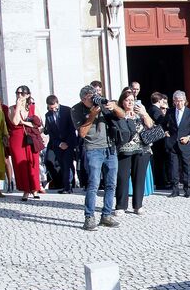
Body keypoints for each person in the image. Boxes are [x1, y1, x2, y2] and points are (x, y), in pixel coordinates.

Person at [71, 84, 125, 230]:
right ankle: (89, 217)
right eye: (90, 98)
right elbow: (82, 133)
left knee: (111, 184)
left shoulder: (102, 102)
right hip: (93, 149)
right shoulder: (76, 110)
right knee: (93, 184)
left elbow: (122, 115)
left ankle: (106, 215)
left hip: (110, 148)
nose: (94, 99)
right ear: (83, 99)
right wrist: (92, 115)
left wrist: (113, 106)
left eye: (95, 95)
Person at [114, 89, 154, 215]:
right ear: (122, 101)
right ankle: (121, 206)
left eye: (132, 100)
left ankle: (138, 205)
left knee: (139, 177)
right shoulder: (119, 113)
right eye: (127, 100)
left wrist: (144, 113)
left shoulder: (139, 111)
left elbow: (150, 126)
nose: (130, 102)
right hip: (124, 149)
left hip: (142, 149)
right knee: (122, 177)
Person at [8, 85, 42, 201]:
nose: (19, 95)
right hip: (17, 138)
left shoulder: (33, 107)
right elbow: (15, 121)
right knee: (19, 164)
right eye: (17, 93)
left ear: (28, 95)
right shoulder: (11, 108)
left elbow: (38, 123)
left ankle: (35, 188)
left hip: (31, 137)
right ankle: (25, 190)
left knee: (33, 162)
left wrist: (25, 122)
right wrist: (18, 107)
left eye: (22, 93)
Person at [162, 90, 190, 197]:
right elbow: (163, 125)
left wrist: (188, 137)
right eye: (176, 101)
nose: (179, 103)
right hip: (173, 143)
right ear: (173, 101)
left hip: (185, 144)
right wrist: (166, 132)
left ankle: (187, 189)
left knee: (186, 167)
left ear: (185, 101)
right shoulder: (170, 112)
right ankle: (175, 190)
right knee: (173, 167)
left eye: (181, 101)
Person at [44, 95, 77, 193]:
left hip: (69, 142)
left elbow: (72, 128)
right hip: (58, 144)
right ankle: (65, 185)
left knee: (68, 164)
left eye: (54, 107)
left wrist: (66, 143)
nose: (53, 110)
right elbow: (51, 133)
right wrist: (59, 144)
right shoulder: (48, 115)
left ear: (57, 103)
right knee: (62, 165)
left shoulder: (67, 110)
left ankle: (68, 186)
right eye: (51, 108)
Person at [148, 92, 170, 189]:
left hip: (157, 139)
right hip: (158, 139)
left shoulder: (152, 109)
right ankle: (162, 183)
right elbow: (160, 122)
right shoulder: (155, 110)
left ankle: (162, 181)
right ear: (159, 100)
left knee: (160, 161)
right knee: (160, 161)